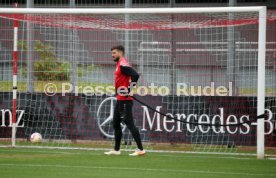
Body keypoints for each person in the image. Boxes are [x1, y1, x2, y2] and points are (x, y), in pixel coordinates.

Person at [104, 45, 146, 156]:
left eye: (114, 53)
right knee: (116, 122)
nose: (112, 55)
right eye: (112, 53)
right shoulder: (120, 63)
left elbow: (135, 75)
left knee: (129, 123)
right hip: (120, 99)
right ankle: (117, 150)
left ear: (120, 53)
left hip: (125, 100)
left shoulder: (123, 64)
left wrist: (129, 89)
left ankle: (140, 149)